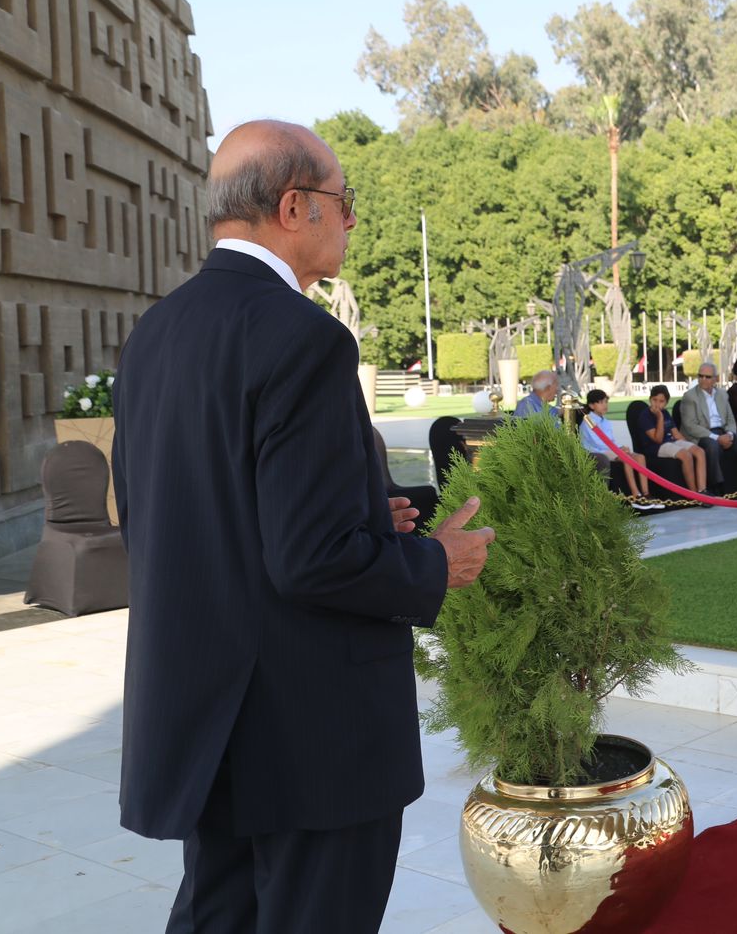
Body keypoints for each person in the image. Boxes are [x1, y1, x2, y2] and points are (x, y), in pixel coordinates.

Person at [111, 120, 496, 933]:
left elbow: (168, 519)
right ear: (294, 207)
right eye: (342, 201)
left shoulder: (156, 332)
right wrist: (435, 563)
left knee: (218, 915)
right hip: (310, 735)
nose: (351, 219)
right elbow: (312, 560)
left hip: (205, 718)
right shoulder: (304, 337)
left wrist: (357, 512)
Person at [676, 363, 737, 497]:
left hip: (723, 432)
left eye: (707, 377)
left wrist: (730, 434)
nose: (703, 379)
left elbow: (730, 419)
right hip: (703, 434)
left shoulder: (722, 394)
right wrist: (717, 438)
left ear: (716, 378)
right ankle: (717, 486)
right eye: (700, 376)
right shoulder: (690, 396)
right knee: (712, 446)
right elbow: (690, 426)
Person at [580, 389, 657, 510]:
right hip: (597, 452)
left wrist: (620, 448)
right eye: (600, 402)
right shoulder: (588, 421)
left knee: (640, 457)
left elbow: (610, 441)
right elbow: (598, 443)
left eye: (606, 401)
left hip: (609, 450)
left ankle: (646, 493)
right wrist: (619, 450)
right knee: (625, 457)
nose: (605, 405)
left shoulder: (605, 421)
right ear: (591, 405)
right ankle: (636, 495)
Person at [635, 384, 707, 496]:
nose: (657, 404)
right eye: (654, 400)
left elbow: (676, 434)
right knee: (686, 455)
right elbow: (658, 439)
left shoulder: (665, 413)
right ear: (650, 399)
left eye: (661, 401)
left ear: (666, 403)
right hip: (655, 447)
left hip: (670, 442)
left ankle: (702, 490)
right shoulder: (645, 416)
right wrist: (660, 418)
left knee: (699, 451)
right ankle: (693, 494)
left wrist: (689, 445)